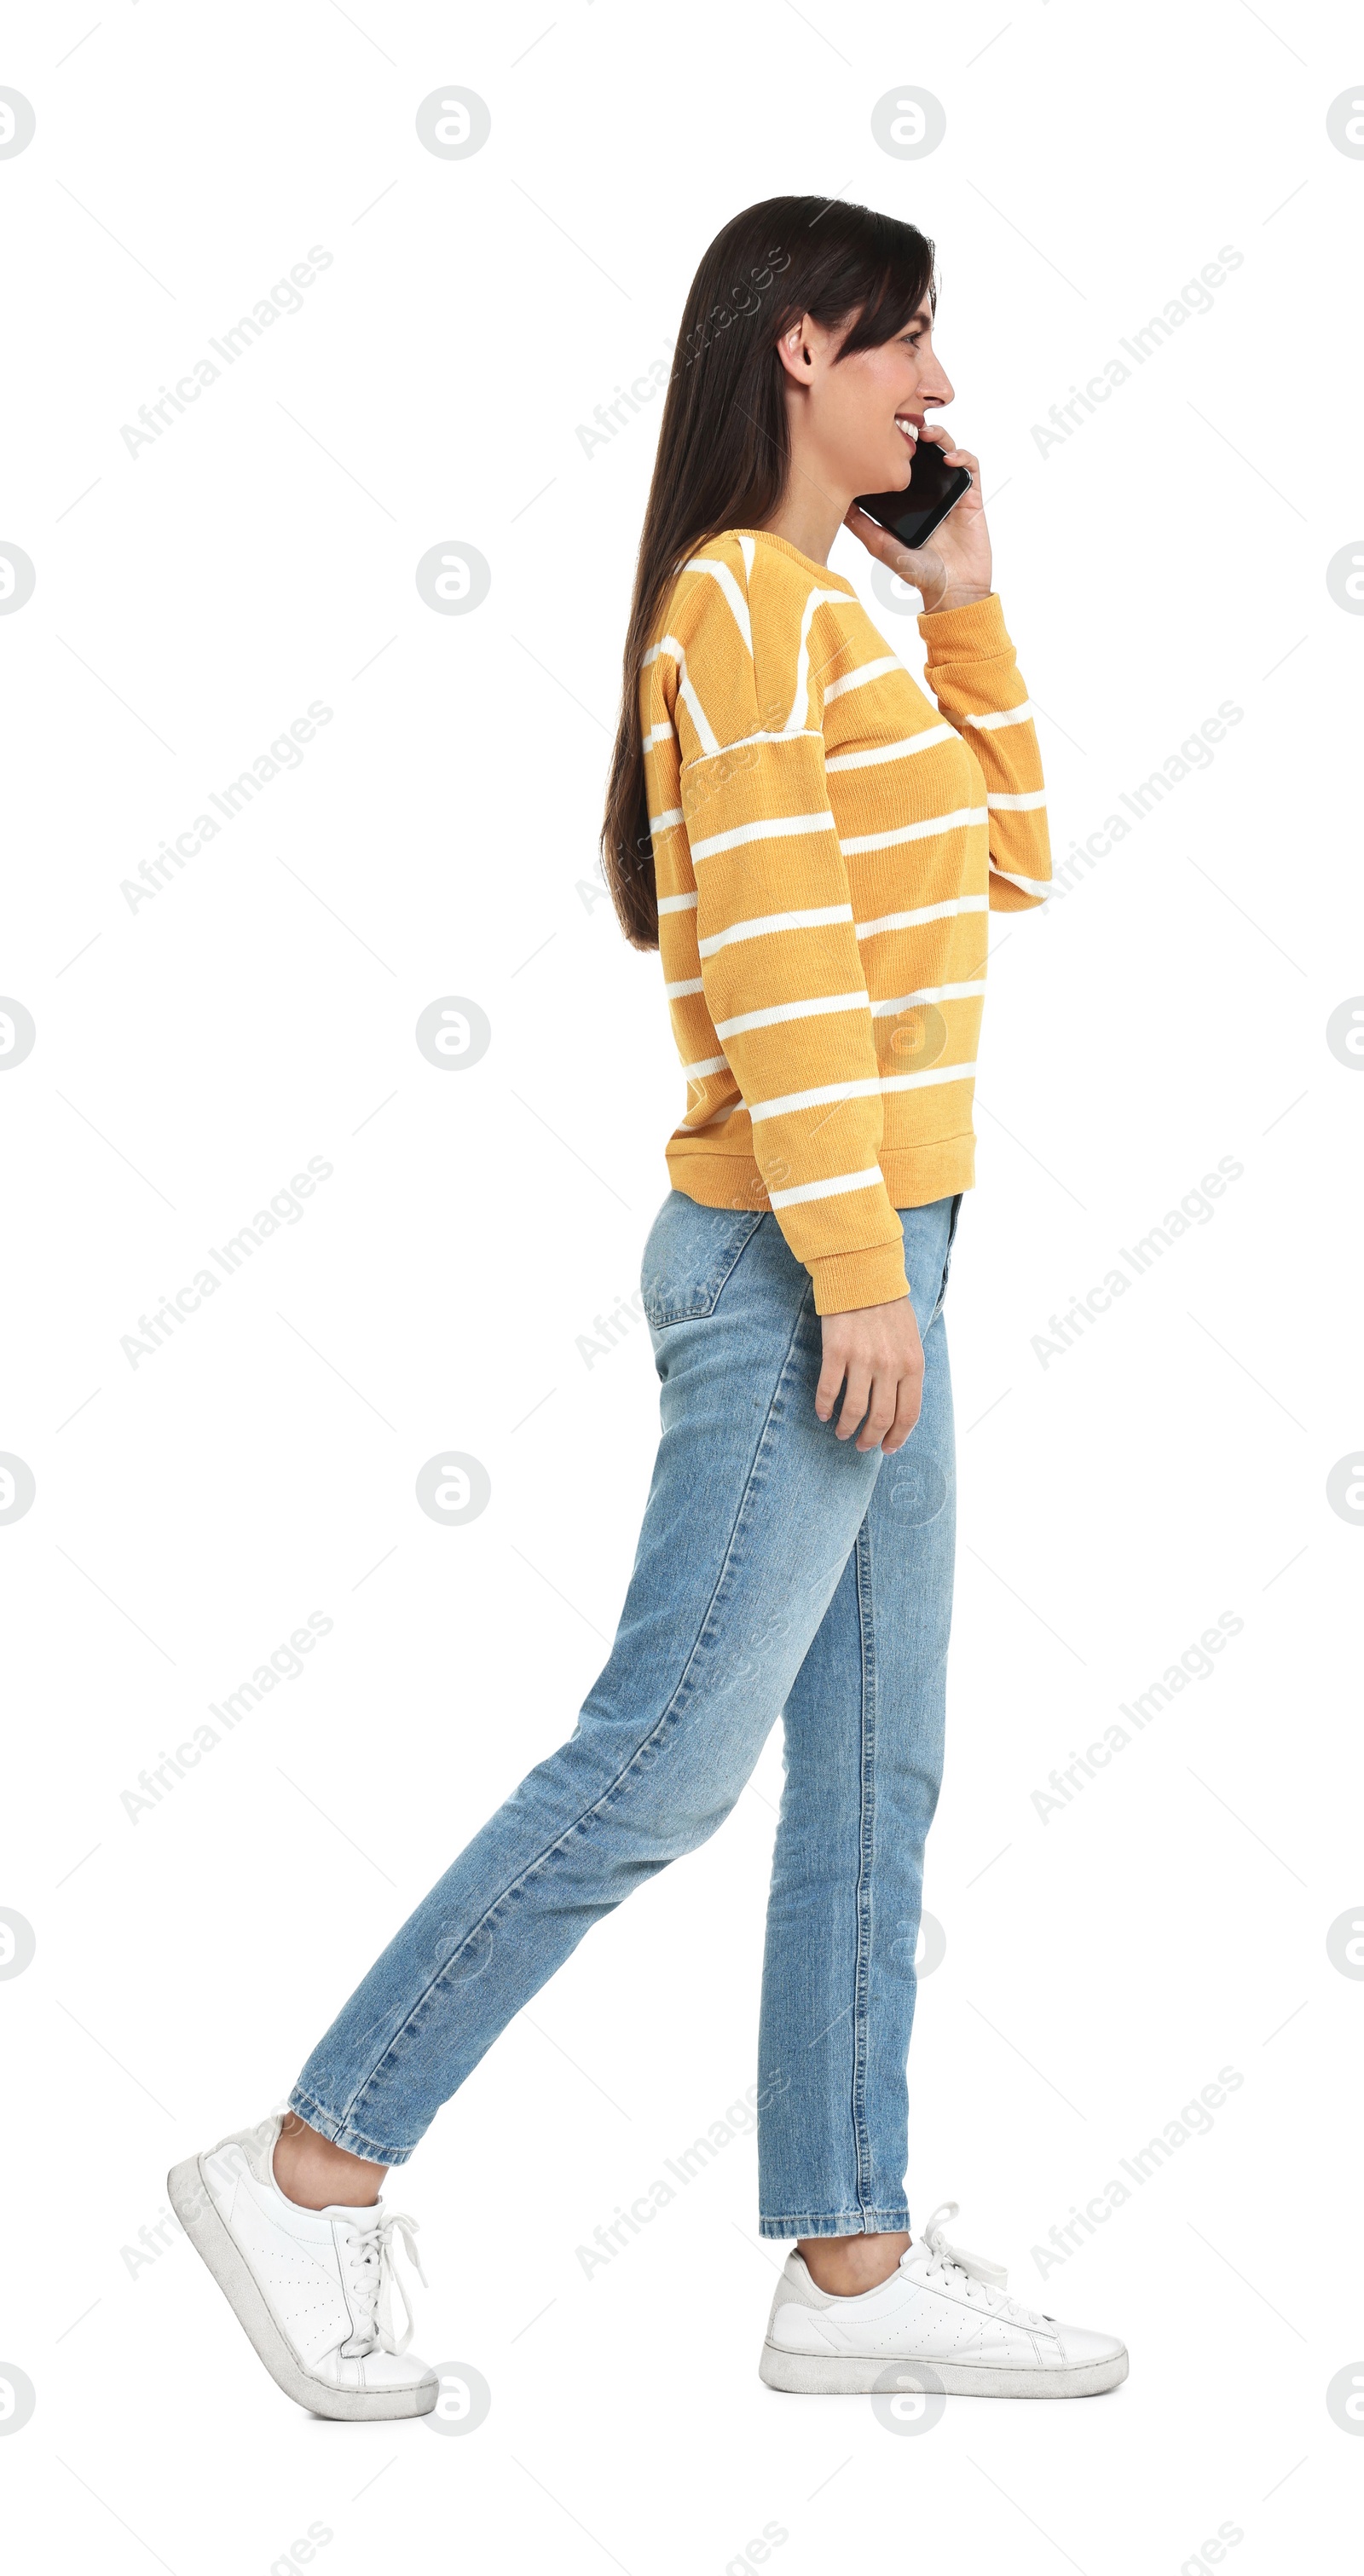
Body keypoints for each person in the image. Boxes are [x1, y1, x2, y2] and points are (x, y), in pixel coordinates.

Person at [169, 196, 1127, 2417]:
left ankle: (855, 2253)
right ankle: (312, 2163)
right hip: (810, 1258)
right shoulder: (732, 611)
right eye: (908, 348)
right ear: (805, 354)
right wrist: (860, 1271)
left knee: (875, 1764)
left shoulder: (833, 620)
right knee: (662, 1760)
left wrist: (969, 607)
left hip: (891, 1242)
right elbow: (785, 966)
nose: (944, 391)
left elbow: (1018, 852)